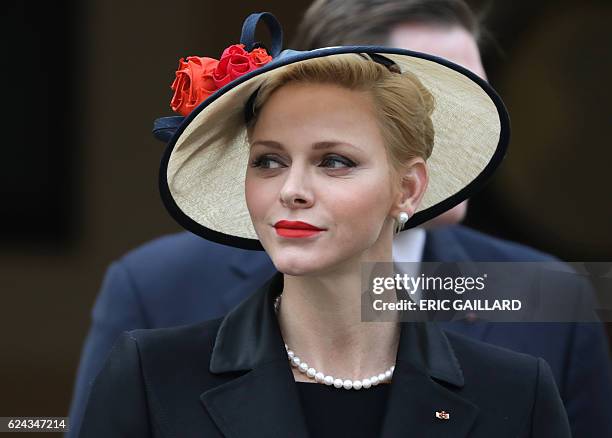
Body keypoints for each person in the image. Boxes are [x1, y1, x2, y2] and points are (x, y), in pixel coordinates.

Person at [67, 1, 612, 437]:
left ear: (409, 183)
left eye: (334, 161)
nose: (293, 191)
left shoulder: (545, 304)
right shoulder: (152, 325)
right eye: (269, 161)